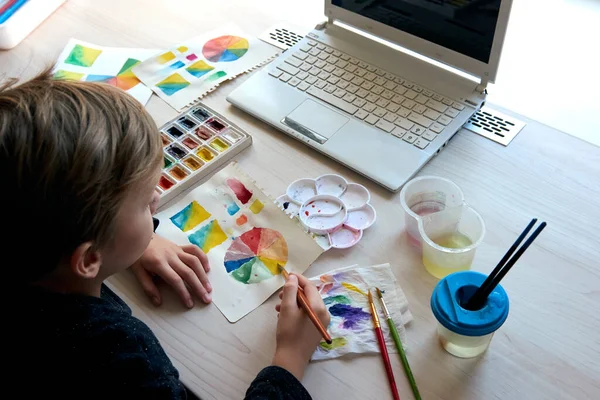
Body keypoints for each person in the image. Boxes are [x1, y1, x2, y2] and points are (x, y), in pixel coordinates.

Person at [1, 70, 330, 399]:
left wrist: (128, 242)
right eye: (146, 204)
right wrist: (290, 359)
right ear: (88, 258)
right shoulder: (122, 357)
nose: (157, 200)